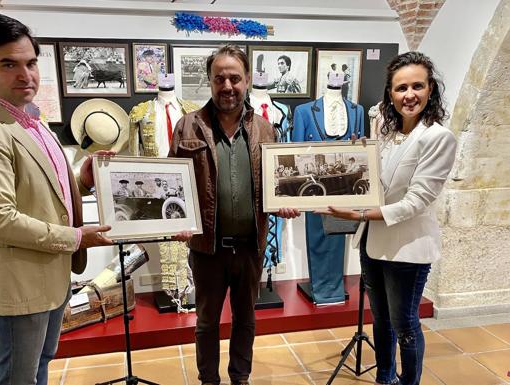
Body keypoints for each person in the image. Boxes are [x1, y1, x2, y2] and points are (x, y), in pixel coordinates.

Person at [0, 13, 114, 385]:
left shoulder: (30, 117)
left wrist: (82, 182)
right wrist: (76, 237)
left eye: (31, 63)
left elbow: (42, 191)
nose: (26, 75)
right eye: (9, 64)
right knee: (18, 378)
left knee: (40, 365)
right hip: (18, 280)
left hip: (49, 275)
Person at [317, 51, 457, 385]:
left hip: (407, 248)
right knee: (380, 320)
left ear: (430, 90)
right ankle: (384, 377)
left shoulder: (438, 138)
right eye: (401, 88)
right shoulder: (387, 133)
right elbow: (373, 181)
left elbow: (417, 201)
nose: (409, 95)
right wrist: (356, 156)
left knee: (405, 325)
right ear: (390, 94)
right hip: (372, 241)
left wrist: (359, 213)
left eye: (417, 86)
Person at [169, 44, 299, 385]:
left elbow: (278, 183)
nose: (227, 86)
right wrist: (176, 221)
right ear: (210, 82)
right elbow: (171, 184)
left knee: (246, 320)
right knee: (207, 322)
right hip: (207, 249)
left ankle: (240, 378)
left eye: (235, 78)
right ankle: (208, 380)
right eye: (219, 79)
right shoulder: (188, 127)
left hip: (249, 248)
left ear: (247, 81)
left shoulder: (265, 130)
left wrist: (285, 200)